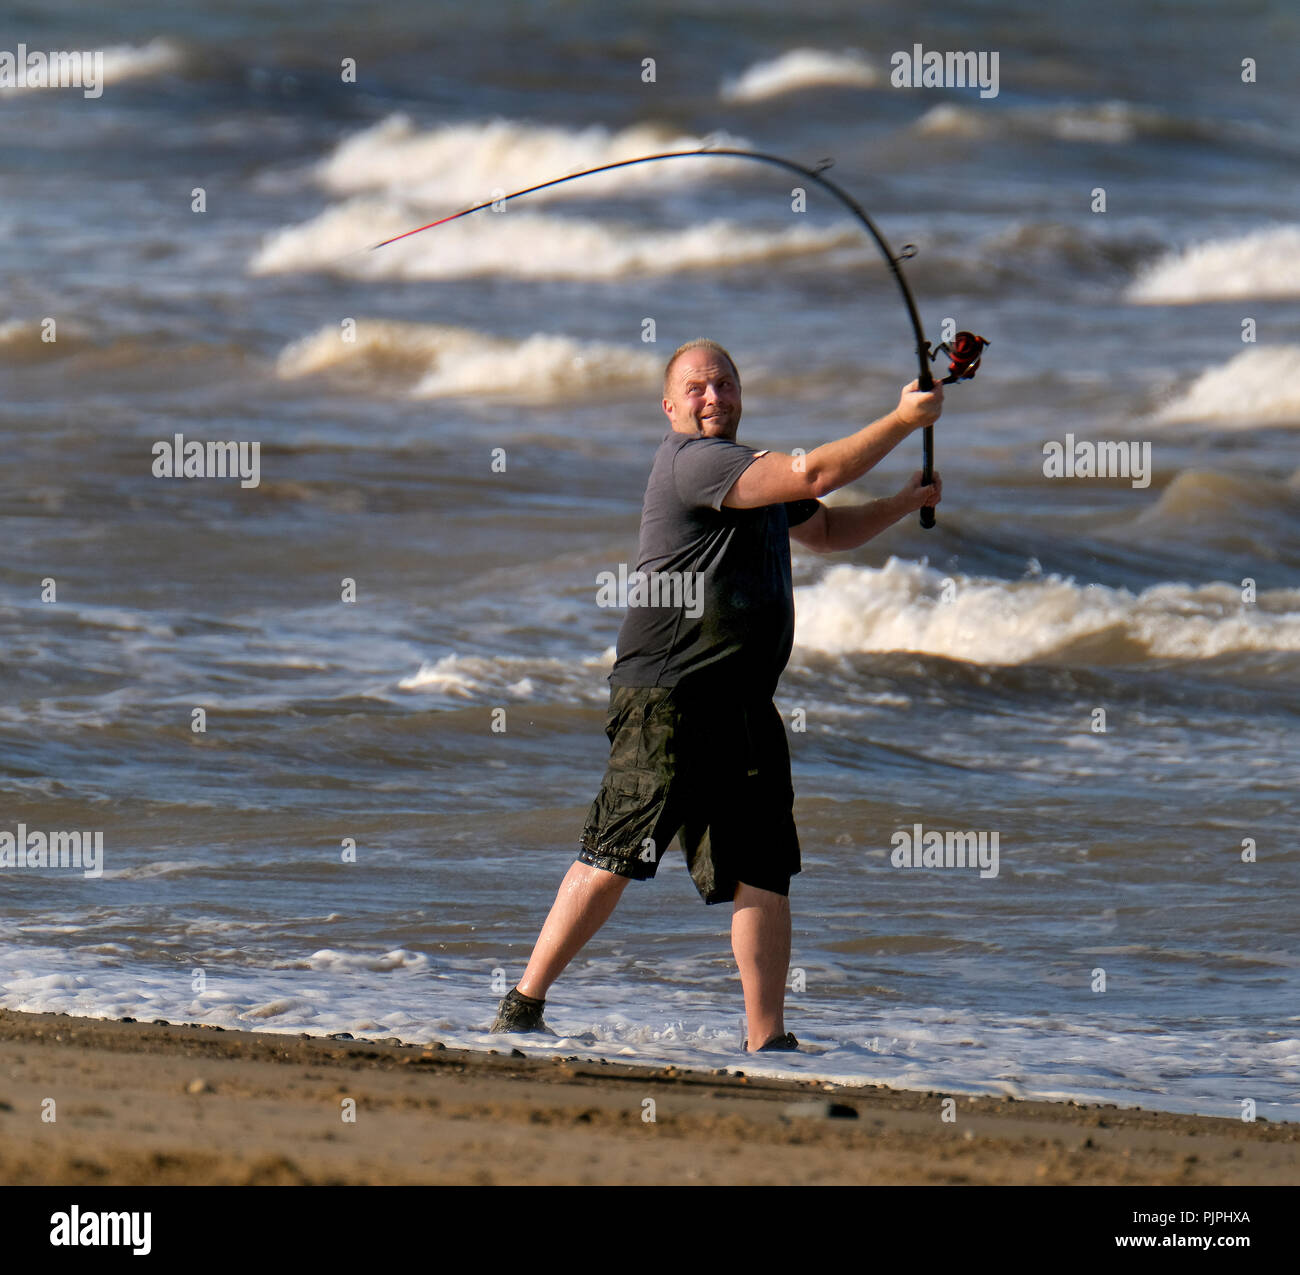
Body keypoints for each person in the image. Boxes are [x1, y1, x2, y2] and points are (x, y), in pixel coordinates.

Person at [491, 338, 943, 1051]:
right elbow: (817, 470)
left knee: (764, 863)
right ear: (670, 406)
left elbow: (824, 527)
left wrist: (903, 502)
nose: (714, 397)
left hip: (742, 699)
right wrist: (900, 421)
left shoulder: (753, 473)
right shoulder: (694, 463)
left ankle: (769, 1039)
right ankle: (523, 1002)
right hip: (669, 691)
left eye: (725, 384)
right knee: (616, 851)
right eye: (697, 388)